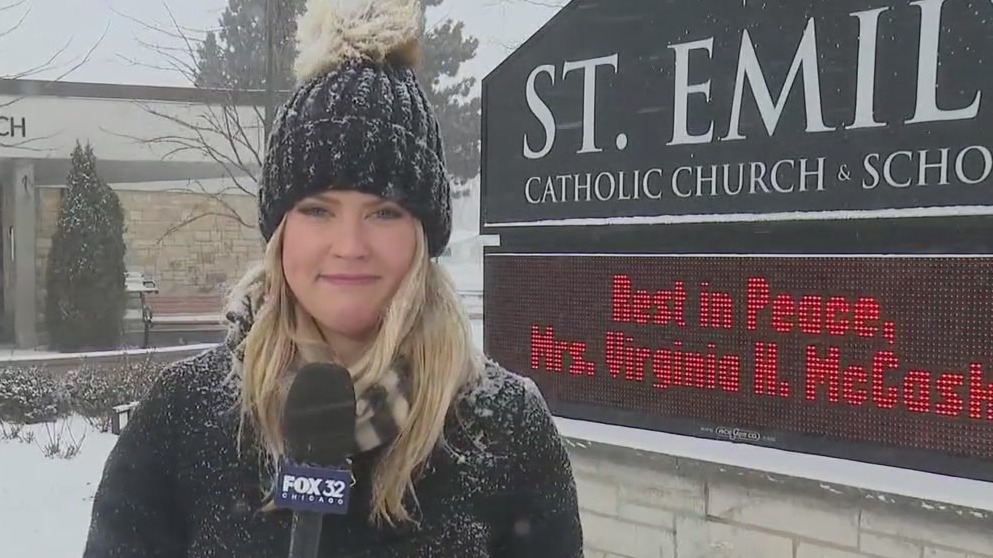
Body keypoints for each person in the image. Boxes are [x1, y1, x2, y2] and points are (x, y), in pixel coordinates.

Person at [81, 0, 583, 556]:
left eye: (384, 212)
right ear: (281, 234)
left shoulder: (505, 429)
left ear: (424, 237)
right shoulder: (181, 417)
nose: (349, 246)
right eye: (318, 210)